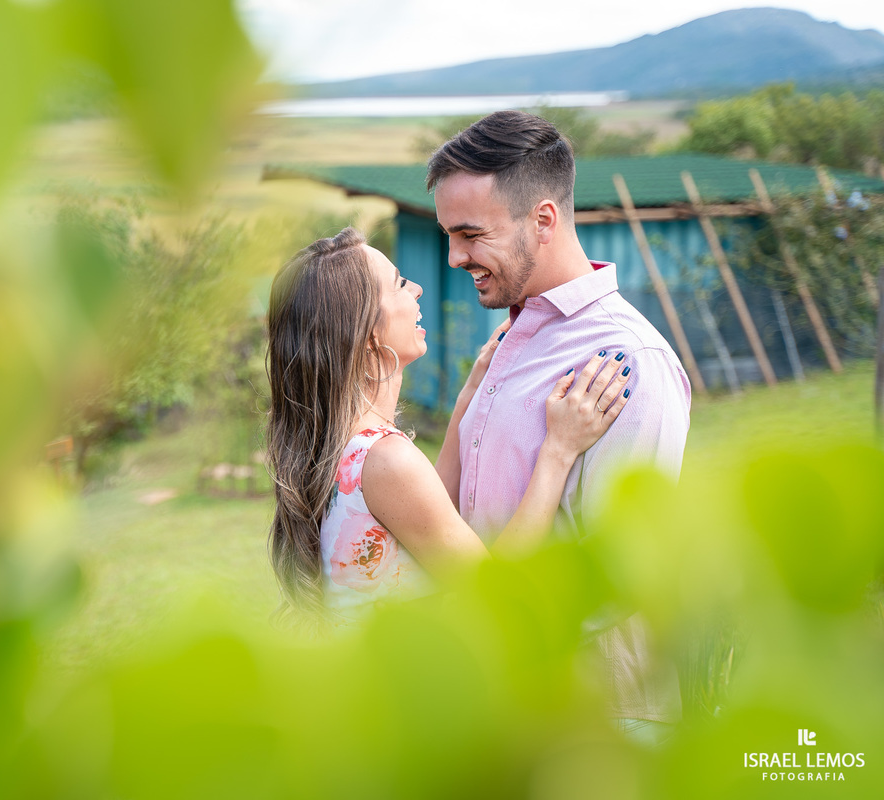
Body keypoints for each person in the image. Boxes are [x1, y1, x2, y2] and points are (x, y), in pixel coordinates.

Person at [427, 109, 692, 745]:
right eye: (448, 236)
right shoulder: (516, 332)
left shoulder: (629, 361)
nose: (455, 257)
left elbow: (620, 567)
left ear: (543, 220)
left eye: (470, 234)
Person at [265, 227, 632, 630]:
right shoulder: (387, 459)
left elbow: (422, 516)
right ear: (367, 334)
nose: (417, 289)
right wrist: (558, 451)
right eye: (399, 284)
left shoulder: (348, 448)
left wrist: (471, 392)